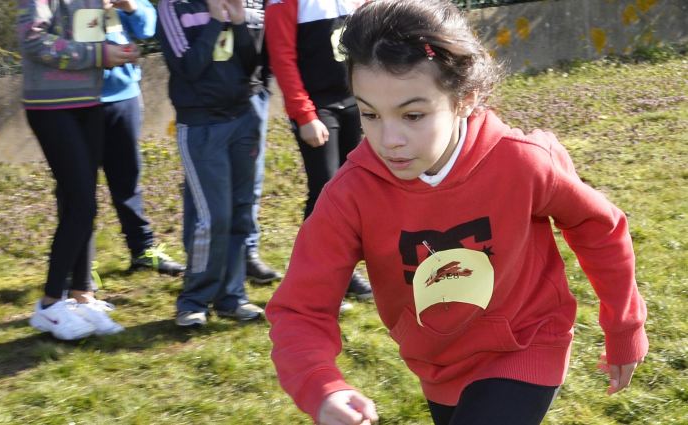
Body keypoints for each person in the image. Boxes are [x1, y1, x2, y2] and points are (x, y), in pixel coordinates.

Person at [265, 1, 649, 424]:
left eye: (413, 115)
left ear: (465, 99)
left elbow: (600, 226)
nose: (389, 138)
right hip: (437, 364)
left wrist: (624, 327)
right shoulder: (349, 194)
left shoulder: (523, 163)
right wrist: (321, 386)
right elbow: (301, 308)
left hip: (526, 343)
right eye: (370, 114)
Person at [18, 0, 138, 340]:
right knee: (81, 203)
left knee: (83, 203)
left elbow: (94, 37)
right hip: (50, 107)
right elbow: (32, 40)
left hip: (89, 102)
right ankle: (50, 303)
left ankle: (83, 295)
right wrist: (99, 56)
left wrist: (120, 48)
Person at [156, 0, 265, 327]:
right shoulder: (172, 7)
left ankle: (232, 297)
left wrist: (239, 21)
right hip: (201, 125)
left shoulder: (246, 2)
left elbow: (253, 65)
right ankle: (194, 299)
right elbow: (187, 67)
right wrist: (216, 21)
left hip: (243, 118)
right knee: (212, 217)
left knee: (241, 211)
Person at [264, 0, 372, 300]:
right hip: (318, 109)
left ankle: (348, 269)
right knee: (325, 192)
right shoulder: (283, 4)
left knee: (355, 190)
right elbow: (283, 59)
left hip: (358, 102)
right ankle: (317, 276)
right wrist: (305, 115)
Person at [96, 0, 185, 276]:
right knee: (77, 189)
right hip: (78, 100)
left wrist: (130, 6)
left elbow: (148, 27)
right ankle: (79, 267)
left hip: (125, 96)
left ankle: (142, 250)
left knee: (127, 179)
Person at [240, 0, 282, 285]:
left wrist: (264, 81)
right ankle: (208, 265)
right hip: (211, 102)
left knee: (252, 183)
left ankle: (247, 253)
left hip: (256, 91)